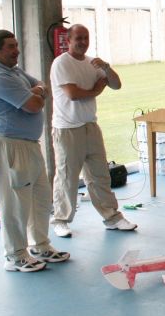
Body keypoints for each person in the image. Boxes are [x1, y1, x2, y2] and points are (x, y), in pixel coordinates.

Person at [0, 30, 70, 272]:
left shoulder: (13, 70)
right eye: (10, 47)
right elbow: (33, 105)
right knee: (15, 203)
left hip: (29, 145)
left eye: (17, 45)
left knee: (40, 197)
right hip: (10, 145)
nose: (16, 51)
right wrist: (38, 93)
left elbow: (40, 84)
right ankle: (15, 255)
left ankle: (40, 244)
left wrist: (37, 90)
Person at [50, 24, 136, 237]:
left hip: (90, 126)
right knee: (67, 177)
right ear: (68, 40)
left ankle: (112, 217)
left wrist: (106, 68)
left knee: (99, 175)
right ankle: (60, 220)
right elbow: (72, 94)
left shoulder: (93, 63)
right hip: (67, 128)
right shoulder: (61, 63)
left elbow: (116, 84)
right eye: (78, 38)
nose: (82, 42)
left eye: (86, 38)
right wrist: (98, 88)